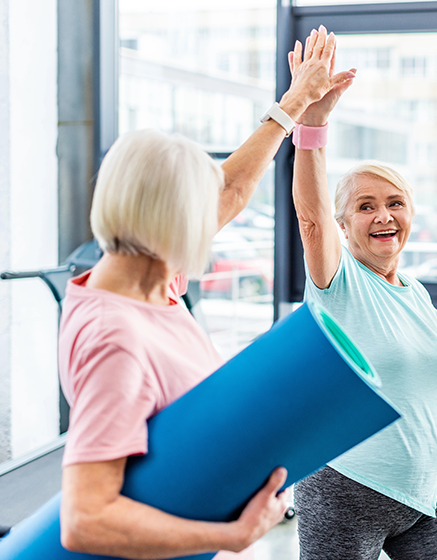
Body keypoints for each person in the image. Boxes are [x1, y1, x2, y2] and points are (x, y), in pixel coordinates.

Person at [57, 27, 342, 560]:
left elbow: (233, 187)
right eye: (196, 207)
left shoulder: (148, 275)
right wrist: (232, 538)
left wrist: (296, 104)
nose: (212, 217)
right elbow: (85, 519)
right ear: (170, 221)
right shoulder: (116, 338)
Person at [288, 29, 437, 560]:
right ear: (343, 224)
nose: (383, 215)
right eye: (365, 206)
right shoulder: (337, 279)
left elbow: (414, 382)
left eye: (394, 203)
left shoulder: (416, 293)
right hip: (344, 485)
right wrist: (313, 125)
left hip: (419, 492)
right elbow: (311, 219)